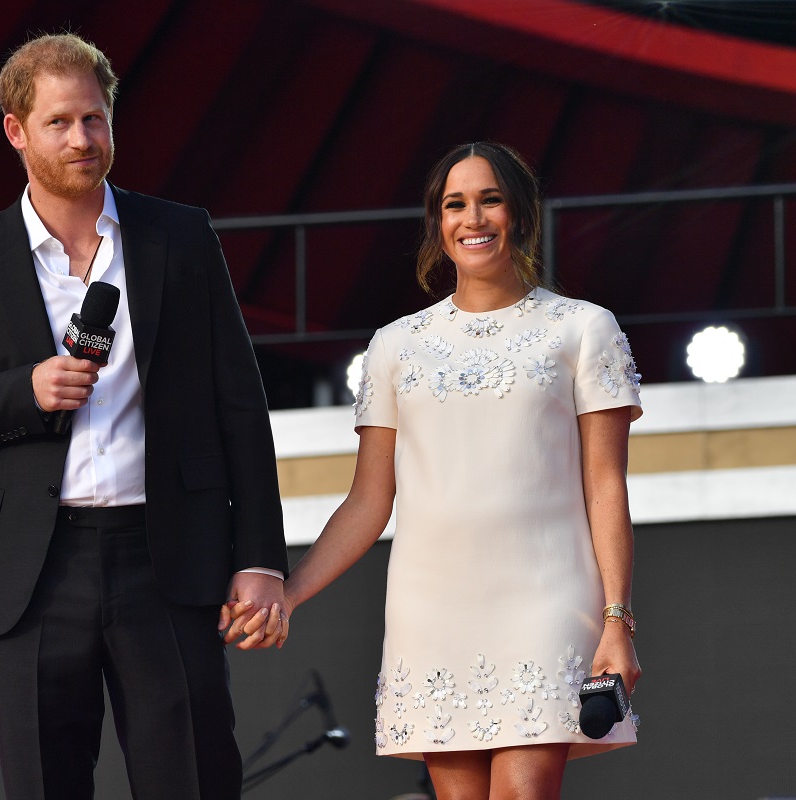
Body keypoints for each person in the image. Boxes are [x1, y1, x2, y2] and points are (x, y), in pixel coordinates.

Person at [0, 33, 288, 800]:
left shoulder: (179, 236)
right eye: (60, 122)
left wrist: (261, 557)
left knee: (198, 782)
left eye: (96, 120)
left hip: (168, 560)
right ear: (16, 130)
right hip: (33, 577)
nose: (82, 139)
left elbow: (240, 405)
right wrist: (25, 390)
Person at [228, 142, 643, 799]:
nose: (472, 218)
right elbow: (368, 500)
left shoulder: (584, 330)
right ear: (437, 222)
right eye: (455, 204)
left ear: (522, 214)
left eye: (490, 199)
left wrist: (618, 617)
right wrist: (290, 590)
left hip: (547, 596)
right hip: (433, 611)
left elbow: (605, 486)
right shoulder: (396, 346)